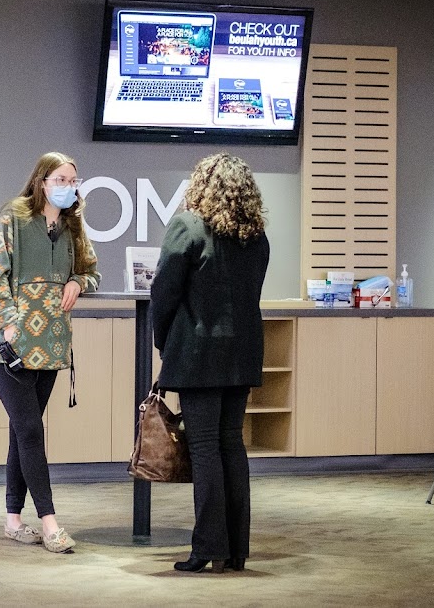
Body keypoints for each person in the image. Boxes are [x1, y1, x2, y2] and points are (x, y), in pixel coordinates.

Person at [150, 153, 270, 574]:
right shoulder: (256, 236)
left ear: (201, 185)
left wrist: (164, 342)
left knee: (203, 449)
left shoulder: (187, 226)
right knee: (231, 444)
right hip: (242, 353)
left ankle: (207, 547)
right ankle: (236, 551)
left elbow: (163, 292)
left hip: (197, 354)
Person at [0, 151, 100, 554]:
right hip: (7, 346)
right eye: (60, 180)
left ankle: (13, 519)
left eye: (73, 181)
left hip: (50, 344)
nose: (68, 187)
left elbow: (92, 271)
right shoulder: (13, 217)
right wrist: (9, 322)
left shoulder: (73, 226)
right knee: (31, 430)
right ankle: (50, 524)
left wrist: (78, 282)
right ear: (41, 181)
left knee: (22, 429)